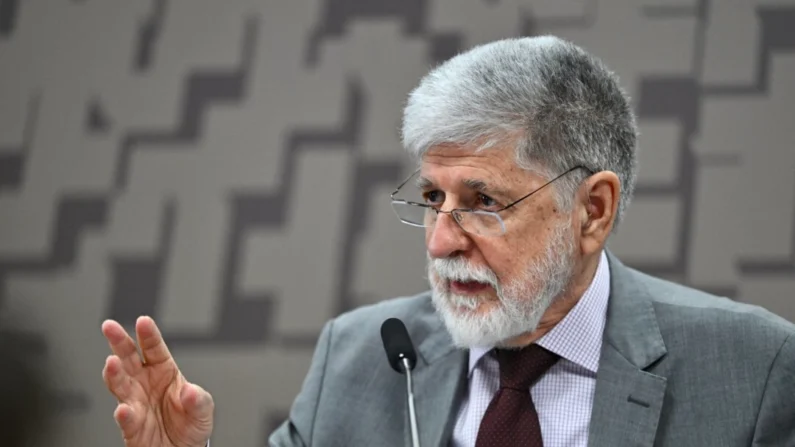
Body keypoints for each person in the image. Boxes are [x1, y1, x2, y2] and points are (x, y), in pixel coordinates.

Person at [100, 35, 795, 447]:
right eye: (433, 197)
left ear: (592, 210)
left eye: (481, 201)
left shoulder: (748, 370)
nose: (439, 242)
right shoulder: (359, 358)